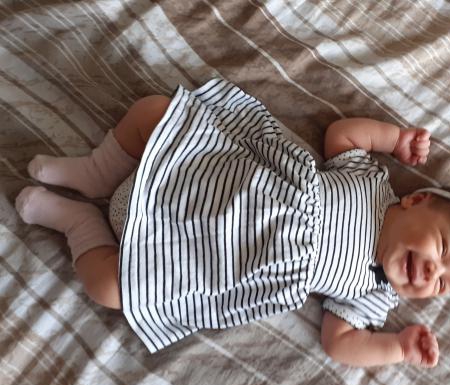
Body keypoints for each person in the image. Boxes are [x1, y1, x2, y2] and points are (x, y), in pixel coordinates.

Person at [15, 79, 443, 368]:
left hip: (205, 257)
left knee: (112, 289)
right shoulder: (371, 182)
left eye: (443, 282)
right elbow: (341, 136)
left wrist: (398, 348)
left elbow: (339, 343)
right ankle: (96, 172)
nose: (432, 271)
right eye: (443, 249)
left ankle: (78, 222)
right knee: (155, 113)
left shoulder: (373, 296)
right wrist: (395, 139)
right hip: (209, 176)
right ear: (416, 200)